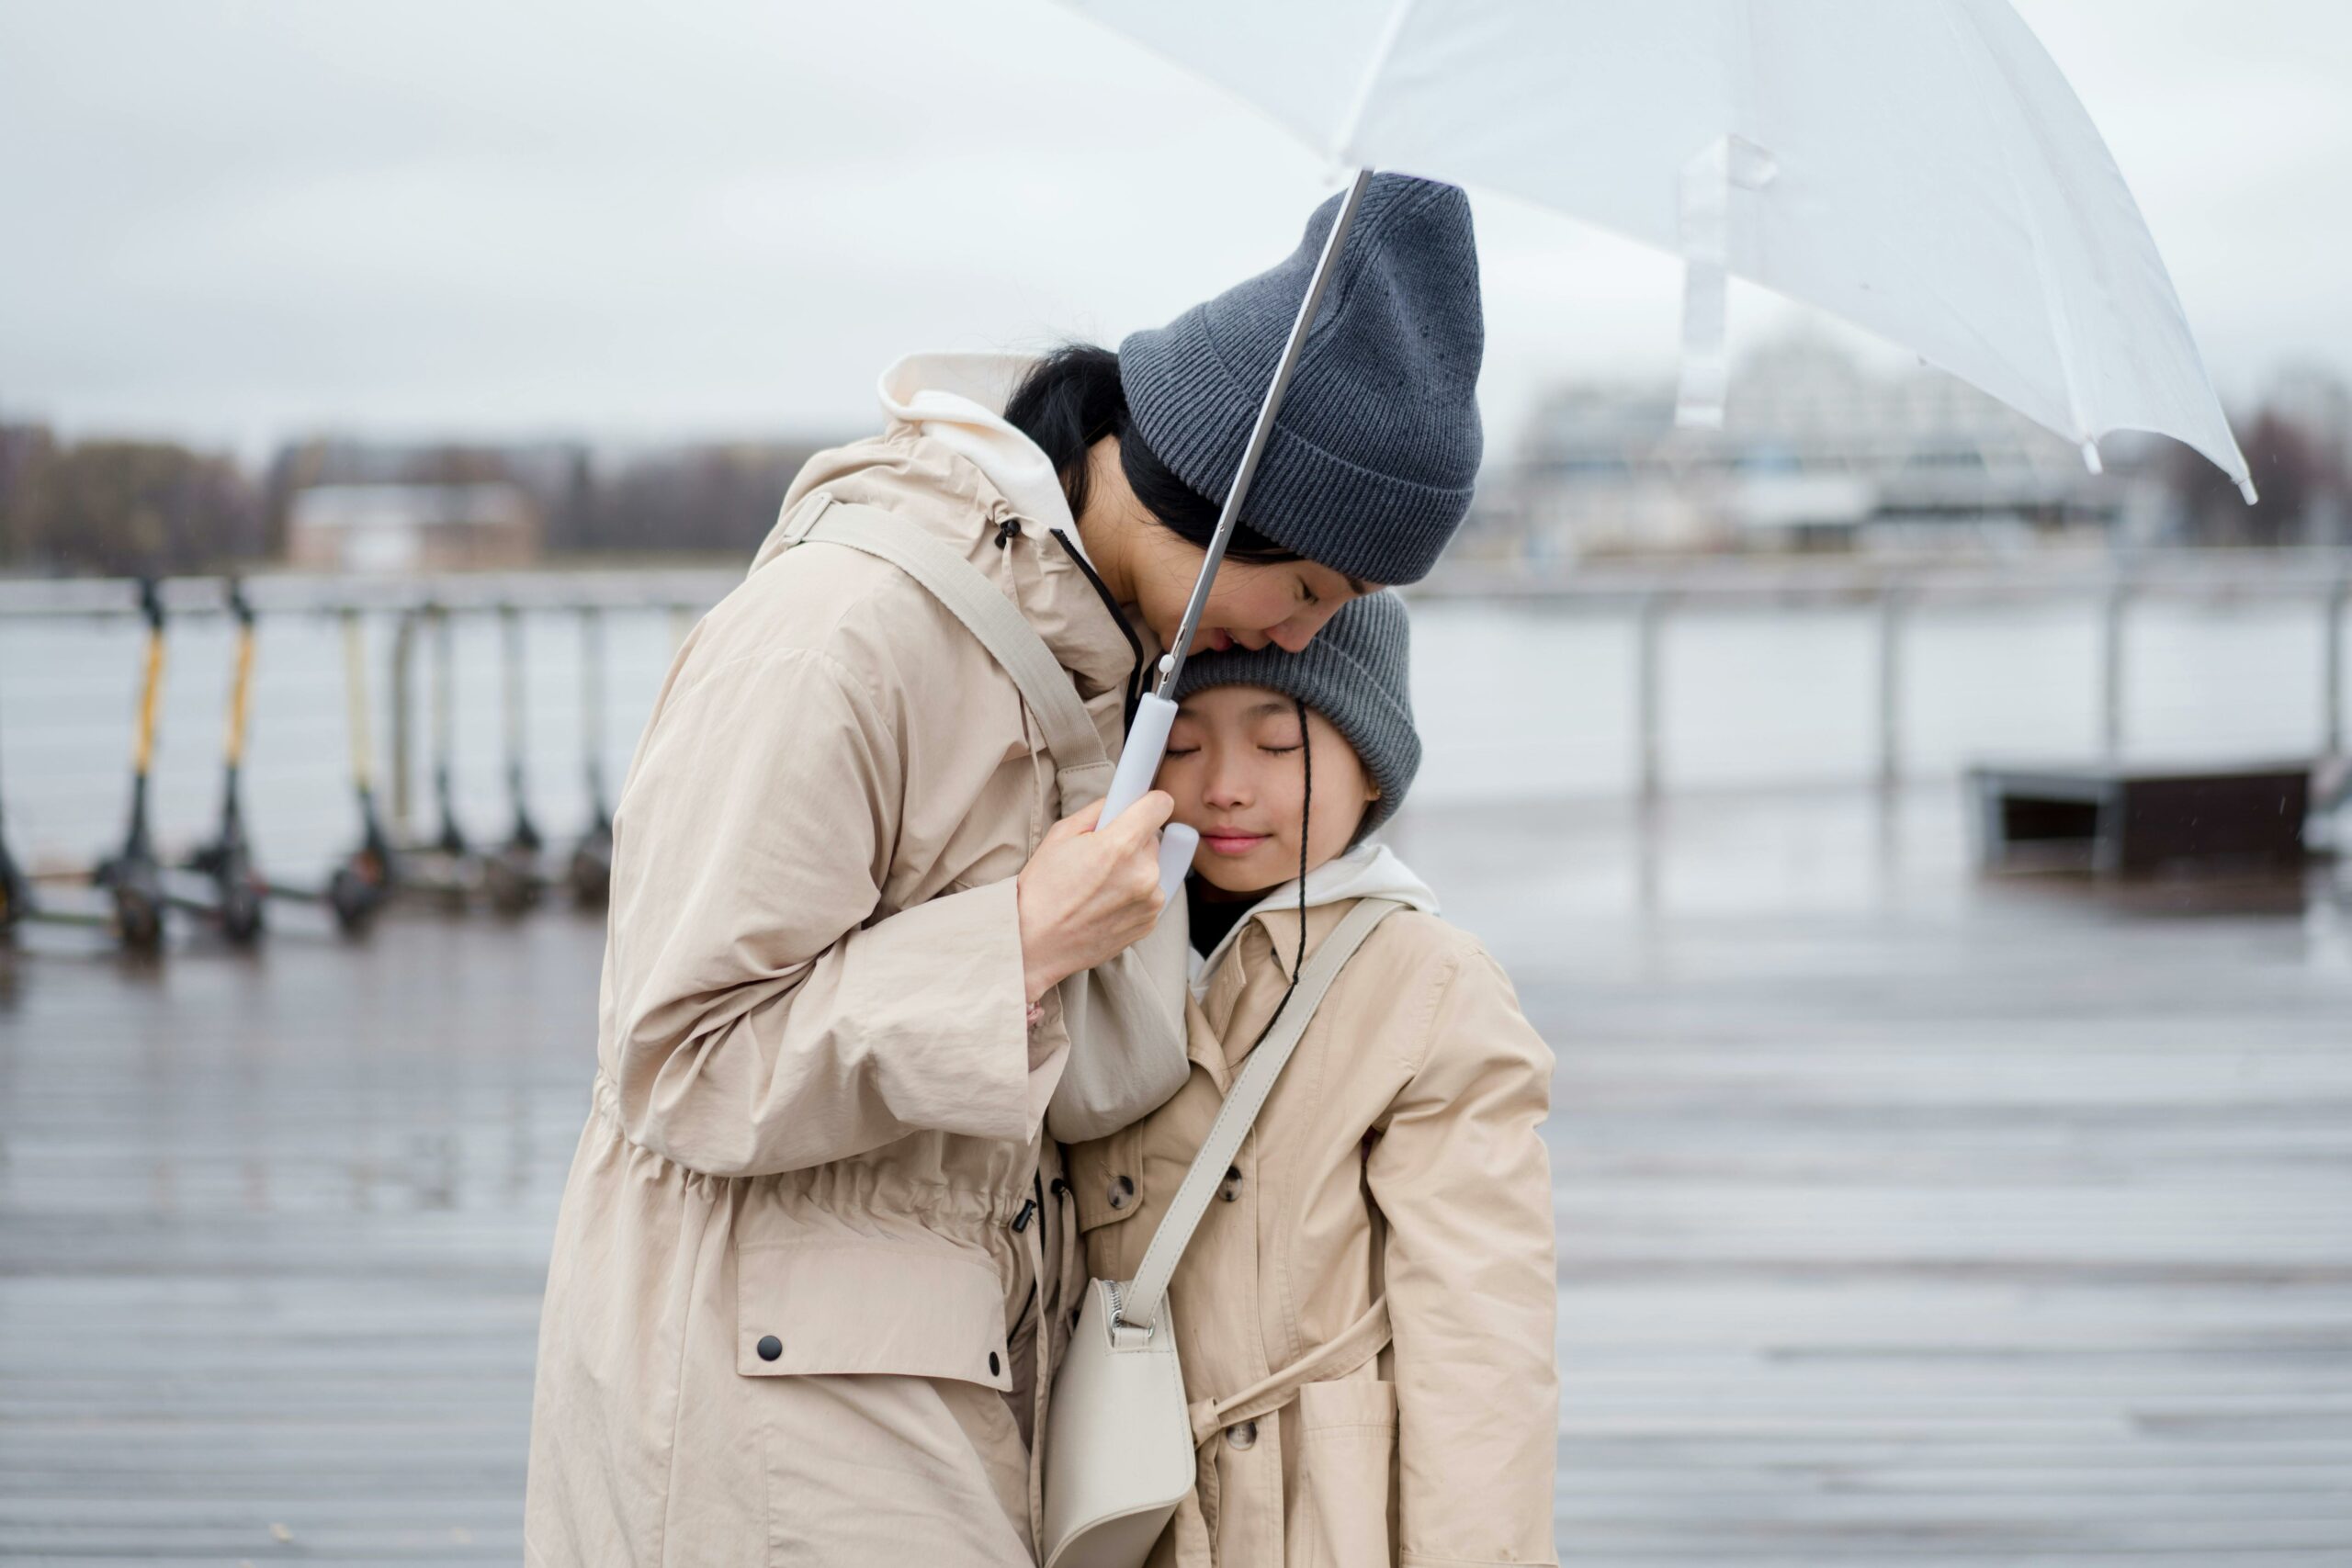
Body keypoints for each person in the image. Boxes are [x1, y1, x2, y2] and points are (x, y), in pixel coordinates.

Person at [523, 174, 1487, 1567]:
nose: (1298, 636)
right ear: (1232, 507)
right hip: (764, 1383)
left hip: (949, 1357)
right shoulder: (843, 632)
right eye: (1317, 592)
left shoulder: (1096, 664)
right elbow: (676, 1056)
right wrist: (1019, 942)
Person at [1069, 592, 1558, 1567]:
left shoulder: (1427, 981)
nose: (1225, 789)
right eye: (1182, 744)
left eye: (1277, 747)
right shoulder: (1086, 949)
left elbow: (1480, 1336)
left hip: (1317, 1519)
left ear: (1370, 766)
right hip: (1104, 1498)